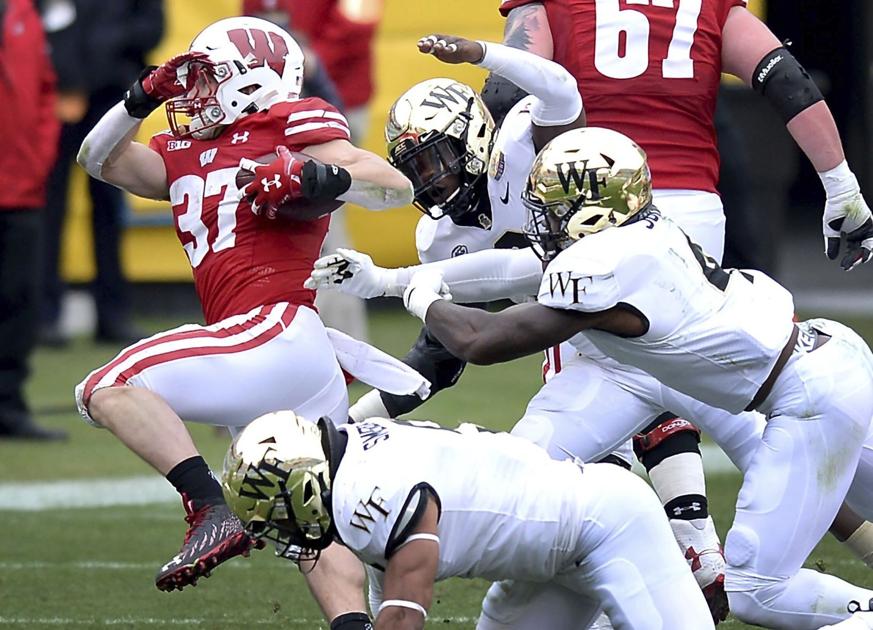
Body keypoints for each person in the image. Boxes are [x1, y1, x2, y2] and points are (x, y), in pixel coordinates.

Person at [314, 34, 730, 622]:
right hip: (575, 331)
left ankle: (696, 540)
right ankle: (668, 566)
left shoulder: (522, 146)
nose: (430, 183)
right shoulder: (439, 239)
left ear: (474, 139)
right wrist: (349, 427)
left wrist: (480, 53)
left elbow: (559, 91)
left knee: (763, 428)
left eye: (436, 161)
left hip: (646, 296)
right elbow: (442, 355)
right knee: (538, 476)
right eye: (415, 171)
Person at [393, 127, 873, 629]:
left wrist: (420, 298)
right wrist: (390, 278)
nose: (543, 222)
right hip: (827, 361)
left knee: (757, 592)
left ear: (593, 208)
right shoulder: (642, 233)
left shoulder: (606, 264)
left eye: (554, 208)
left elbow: (482, 341)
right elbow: (518, 267)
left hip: (808, 396)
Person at [74, 16, 417, 628]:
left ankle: (208, 505)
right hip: (273, 355)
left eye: (207, 80)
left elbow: (391, 184)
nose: (192, 94)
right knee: (303, 515)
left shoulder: (287, 120)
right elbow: (97, 159)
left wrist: (319, 176)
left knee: (107, 386)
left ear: (249, 81)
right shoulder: (181, 150)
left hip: (276, 328)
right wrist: (140, 97)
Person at [221, 410, 716, 629]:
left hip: (609, 526)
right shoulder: (352, 460)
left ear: (305, 486)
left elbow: (406, 609)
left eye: (276, 513)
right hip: (547, 566)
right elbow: (386, 585)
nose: (278, 530)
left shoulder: (361, 492)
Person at [489, 1, 872, 271]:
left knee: (588, 367)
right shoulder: (708, 5)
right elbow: (788, 82)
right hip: (693, 214)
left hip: (593, 206)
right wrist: (841, 188)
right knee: (686, 364)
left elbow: (508, 91)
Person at [40, 0, 164, 346]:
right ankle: (44, 316)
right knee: (48, 209)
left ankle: (112, 315)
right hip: (56, 96)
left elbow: (152, 28)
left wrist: (106, 52)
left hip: (111, 102)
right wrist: (64, 71)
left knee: (108, 212)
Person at [0, 0, 65, 440]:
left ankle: (8, 405)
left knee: (19, 300)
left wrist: (37, 162)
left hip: (21, 187)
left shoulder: (24, 12)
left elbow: (45, 91)